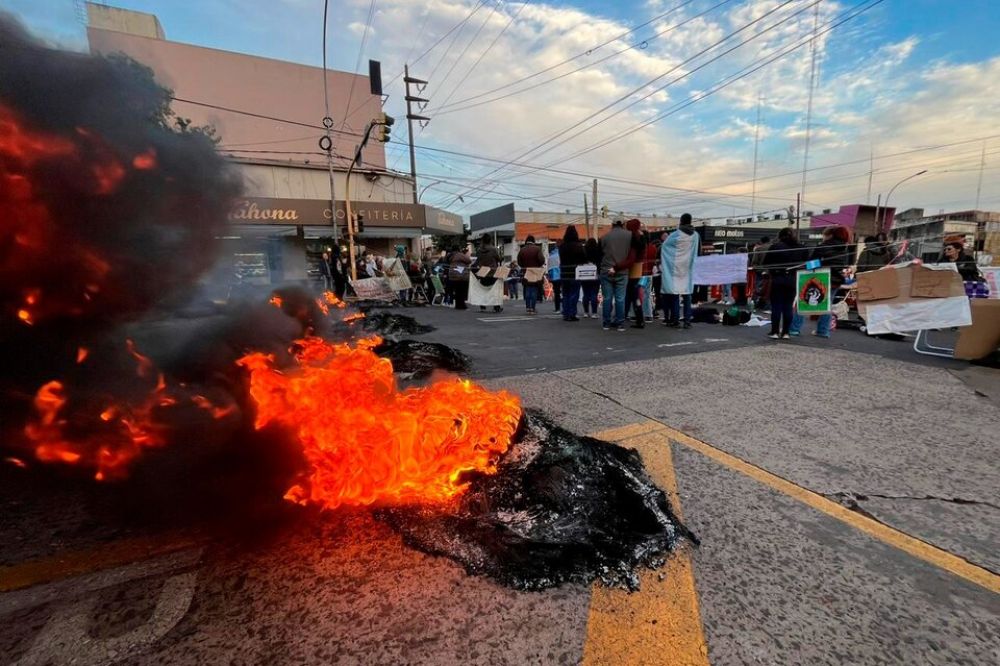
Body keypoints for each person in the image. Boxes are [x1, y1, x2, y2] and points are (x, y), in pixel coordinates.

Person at [790, 225, 850, 338]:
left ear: (830, 235)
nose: (823, 238)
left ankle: (794, 329)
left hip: (820, 278)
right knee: (827, 306)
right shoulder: (845, 248)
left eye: (824, 235)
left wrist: (801, 267)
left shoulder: (823, 246)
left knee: (803, 302)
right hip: (836, 280)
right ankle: (823, 331)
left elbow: (813, 263)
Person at [763, 227, 808, 339]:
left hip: (777, 278)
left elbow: (766, 263)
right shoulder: (802, 248)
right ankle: (786, 332)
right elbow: (806, 264)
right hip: (793, 279)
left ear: (780, 236)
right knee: (788, 307)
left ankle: (774, 332)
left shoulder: (775, 247)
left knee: (776, 306)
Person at [660, 213, 700, 329]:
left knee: (675, 295)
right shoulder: (695, 235)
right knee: (687, 295)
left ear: (681, 221)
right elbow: (698, 250)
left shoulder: (675, 234)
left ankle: (675, 320)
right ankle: (687, 321)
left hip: (675, 268)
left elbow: (665, 247)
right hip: (688, 268)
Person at [599, 219, 632, 331]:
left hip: (606, 270)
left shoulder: (604, 237)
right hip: (622, 271)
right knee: (620, 298)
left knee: (607, 298)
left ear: (612, 225)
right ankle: (620, 323)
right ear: (622, 224)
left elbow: (600, 254)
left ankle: (606, 323)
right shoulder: (629, 236)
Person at [558, 225, 586, 322]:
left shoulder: (562, 246)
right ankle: (572, 314)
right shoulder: (579, 246)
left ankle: (565, 313)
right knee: (574, 294)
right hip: (575, 272)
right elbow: (584, 259)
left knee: (565, 294)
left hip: (564, 273)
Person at [623, 220, 648, 328]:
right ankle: (638, 318)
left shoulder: (634, 238)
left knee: (633, 295)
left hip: (632, 269)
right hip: (639, 269)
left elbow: (631, 256)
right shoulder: (642, 236)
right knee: (633, 295)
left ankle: (639, 319)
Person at [473, 237, 504, 313]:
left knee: (483, 290)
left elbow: (477, 260)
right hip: (492, 272)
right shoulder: (493, 249)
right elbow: (498, 258)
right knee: (494, 290)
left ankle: (482, 306)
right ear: (490, 241)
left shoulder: (479, 250)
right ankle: (496, 307)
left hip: (483, 272)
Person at [517, 235, 546, 314]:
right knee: (534, 290)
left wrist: (524, 266)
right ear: (533, 241)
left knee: (527, 290)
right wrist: (538, 265)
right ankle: (532, 308)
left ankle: (527, 308)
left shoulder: (522, 250)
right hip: (535, 272)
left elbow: (519, 262)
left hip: (525, 272)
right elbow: (542, 260)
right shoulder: (537, 249)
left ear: (526, 241)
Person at [581, 237, 602, 318]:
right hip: (595, 274)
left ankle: (586, 312)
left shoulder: (584, 251)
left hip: (584, 274)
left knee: (585, 294)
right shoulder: (598, 251)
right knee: (594, 294)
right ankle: (594, 313)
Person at [447, 244, 472, 310]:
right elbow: (469, 261)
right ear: (458, 249)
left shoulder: (450, 255)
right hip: (460, 274)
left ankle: (458, 305)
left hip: (452, 275)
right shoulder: (459, 254)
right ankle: (462, 305)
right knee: (462, 290)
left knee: (457, 290)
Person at [547, 243, 562, 312]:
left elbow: (549, 268)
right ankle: (566, 308)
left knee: (557, 293)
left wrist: (549, 278)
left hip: (554, 277)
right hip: (562, 275)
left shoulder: (551, 256)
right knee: (565, 292)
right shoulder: (562, 254)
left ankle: (557, 308)